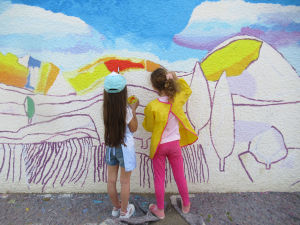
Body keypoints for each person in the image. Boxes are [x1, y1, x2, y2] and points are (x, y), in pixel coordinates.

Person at [143, 68, 198, 219]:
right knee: (180, 174)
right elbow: (187, 90)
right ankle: (186, 204)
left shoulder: (152, 106)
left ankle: (160, 210)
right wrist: (176, 78)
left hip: (159, 146)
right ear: (168, 82)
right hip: (174, 145)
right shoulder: (177, 99)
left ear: (154, 87)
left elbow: (147, 126)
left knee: (159, 178)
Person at [103, 72, 139, 219]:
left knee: (111, 180)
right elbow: (134, 128)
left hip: (111, 147)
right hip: (124, 149)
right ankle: (125, 212)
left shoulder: (106, 108)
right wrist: (133, 110)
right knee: (125, 181)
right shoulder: (126, 111)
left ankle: (116, 207)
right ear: (124, 92)